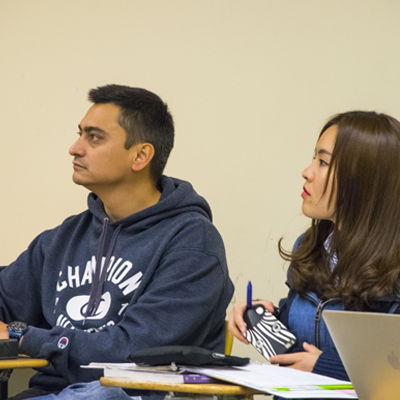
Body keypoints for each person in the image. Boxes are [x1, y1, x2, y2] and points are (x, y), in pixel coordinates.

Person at [0, 84, 234, 399]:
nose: (75, 148)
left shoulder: (194, 244)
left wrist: (21, 335)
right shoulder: (63, 238)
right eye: (80, 134)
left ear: (140, 156)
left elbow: (131, 351)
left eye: (94, 138)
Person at [229, 110, 400, 383]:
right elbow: (296, 354)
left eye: (322, 162)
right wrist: (257, 321)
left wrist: (325, 367)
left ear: (363, 180)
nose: (306, 172)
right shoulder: (309, 247)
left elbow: (392, 372)